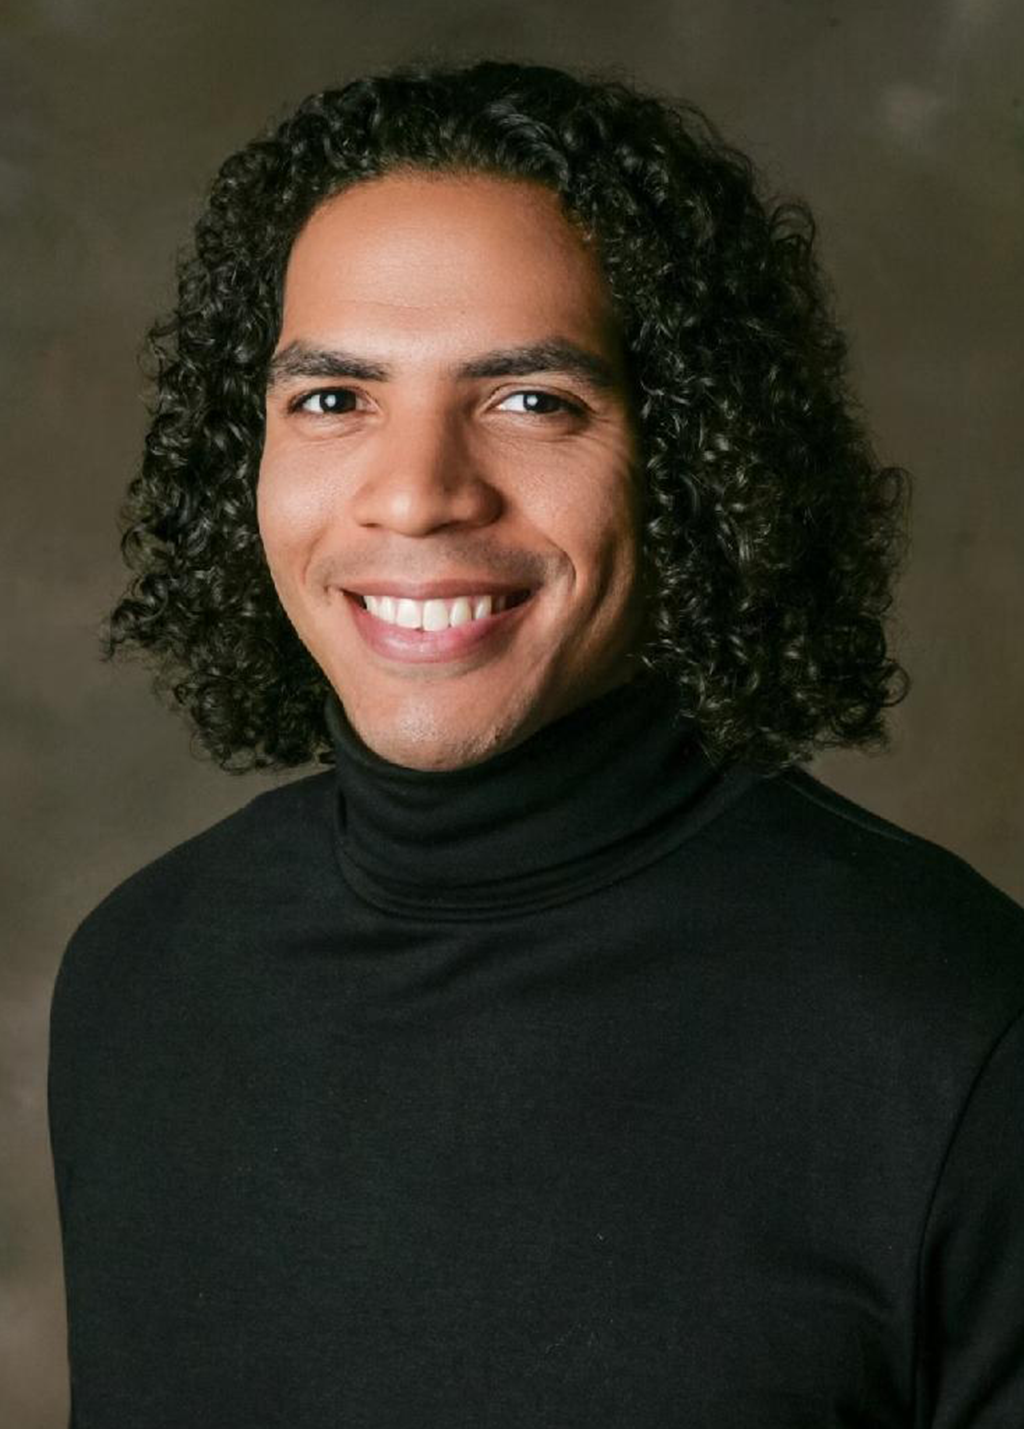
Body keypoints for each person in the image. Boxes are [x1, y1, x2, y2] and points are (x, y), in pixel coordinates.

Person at [48, 58, 1024, 1427]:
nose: (417, 494)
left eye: (531, 400)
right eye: (333, 398)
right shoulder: (141, 980)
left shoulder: (958, 1030)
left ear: (689, 461)